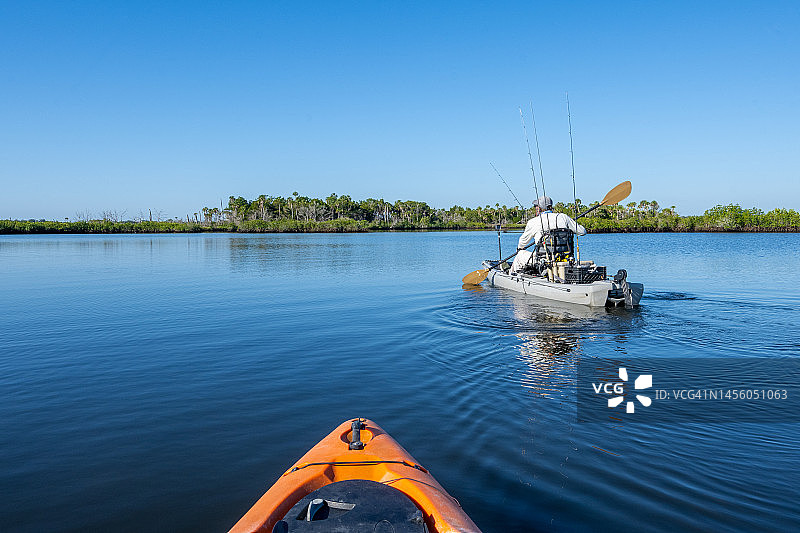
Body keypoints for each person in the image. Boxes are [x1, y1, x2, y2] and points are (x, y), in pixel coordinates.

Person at [511, 196, 586, 273]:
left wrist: (519, 249)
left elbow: (522, 243)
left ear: (539, 208)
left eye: (536, 206)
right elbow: (582, 231)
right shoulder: (563, 217)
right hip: (565, 258)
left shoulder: (533, 222)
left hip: (543, 260)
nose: (535, 208)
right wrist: (569, 224)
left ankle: (513, 276)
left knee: (520, 255)